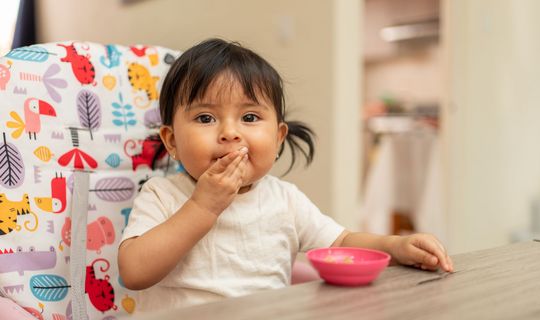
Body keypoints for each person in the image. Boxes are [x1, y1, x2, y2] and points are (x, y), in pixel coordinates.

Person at [118, 38, 453, 312]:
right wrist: (203, 208)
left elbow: (341, 242)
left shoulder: (284, 199)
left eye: (249, 117)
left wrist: (395, 245)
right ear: (172, 140)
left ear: (278, 138)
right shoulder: (162, 194)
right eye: (206, 118)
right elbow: (133, 272)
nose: (230, 132)